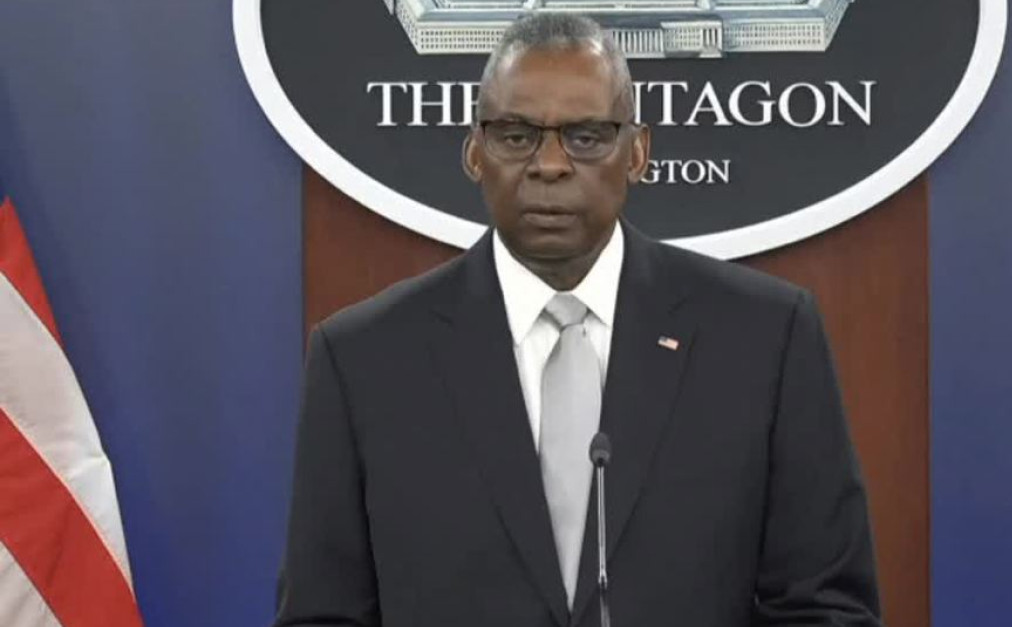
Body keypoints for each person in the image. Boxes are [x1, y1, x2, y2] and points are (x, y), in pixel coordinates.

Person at [274, 13, 882, 627]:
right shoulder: (364, 360)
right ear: (474, 153)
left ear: (637, 152)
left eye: (586, 137)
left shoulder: (764, 339)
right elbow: (323, 615)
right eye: (516, 136)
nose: (550, 164)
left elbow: (824, 608)